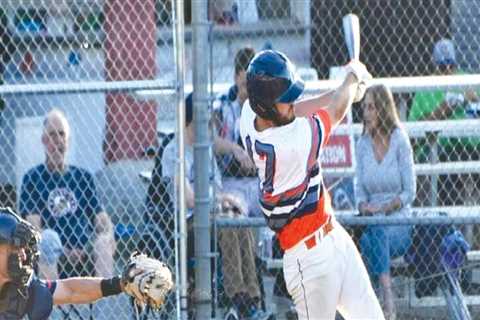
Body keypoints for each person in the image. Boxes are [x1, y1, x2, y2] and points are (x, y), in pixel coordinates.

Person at [240, 49, 384, 319]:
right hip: (309, 261)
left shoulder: (249, 114)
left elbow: (299, 109)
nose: (291, 102)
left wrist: (348, 90)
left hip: (333, 236)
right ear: (266, 106)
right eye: (284, 100)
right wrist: (352, 76)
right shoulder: (291, 146)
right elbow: (336, 111)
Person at [162, 94, 271, 320]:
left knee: (242, 222)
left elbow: (219, 188)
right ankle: (238, 299)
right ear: (192, 121)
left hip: (215, 214)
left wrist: (228, 200)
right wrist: (219, 200)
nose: (212, 123)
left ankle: (253, 299)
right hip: (190, 222)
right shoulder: (175, 150)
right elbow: (189, 198)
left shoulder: (205, 148)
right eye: (207, 119)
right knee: (229, 224)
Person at [19, 109, 116, 280]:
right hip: (50, 254)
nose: (58, 141)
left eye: (62, 134)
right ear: (43, 140)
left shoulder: (83, 177)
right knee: (48, 238)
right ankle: (50, 304)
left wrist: (107, 234)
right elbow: (34, 227)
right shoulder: (33, 178)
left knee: (103, 243)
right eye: (52, 135)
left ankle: (105, 305)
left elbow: (101, 219)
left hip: (84, 255)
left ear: (68, 140)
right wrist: (64, 251)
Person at [355, 85, 416, 319]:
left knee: (371, 239)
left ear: (383, 109)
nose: (366, 113)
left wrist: (385, 207)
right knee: (371, 235)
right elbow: (359, 192)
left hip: (399, 221)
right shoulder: (362, 145)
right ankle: (385, 303)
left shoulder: (400, 140)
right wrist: (364, 207)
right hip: (373, 221)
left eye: (371, 107)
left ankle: (379, 301)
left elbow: (410, 192)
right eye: (364, 108)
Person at [0, 207, 122, 319]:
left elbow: (70, 290)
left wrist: (119, 284)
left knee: (41, 296)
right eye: (14, 249)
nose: (23, 255)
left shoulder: (25, 287)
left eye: (22, 248)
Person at [408, 38, 480, 206]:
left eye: (451, 65)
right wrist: (442, 110)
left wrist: (474, 102)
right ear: (435, 66)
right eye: (442, 67)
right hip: (442, 150)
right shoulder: (426, 88)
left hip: (473, 147)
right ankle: (451, 221)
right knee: (450, 161)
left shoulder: (469, 81)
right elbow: (413, 139)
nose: (447, 70)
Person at [213, 46, 260, 217]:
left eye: (253, 86)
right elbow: (210, 139)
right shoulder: (222, 104)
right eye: (244, 86)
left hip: (260, 183)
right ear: (235, 78)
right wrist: (235, 149)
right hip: (231, 183)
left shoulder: (267, 103)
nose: (248, 92)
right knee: (232, 213)